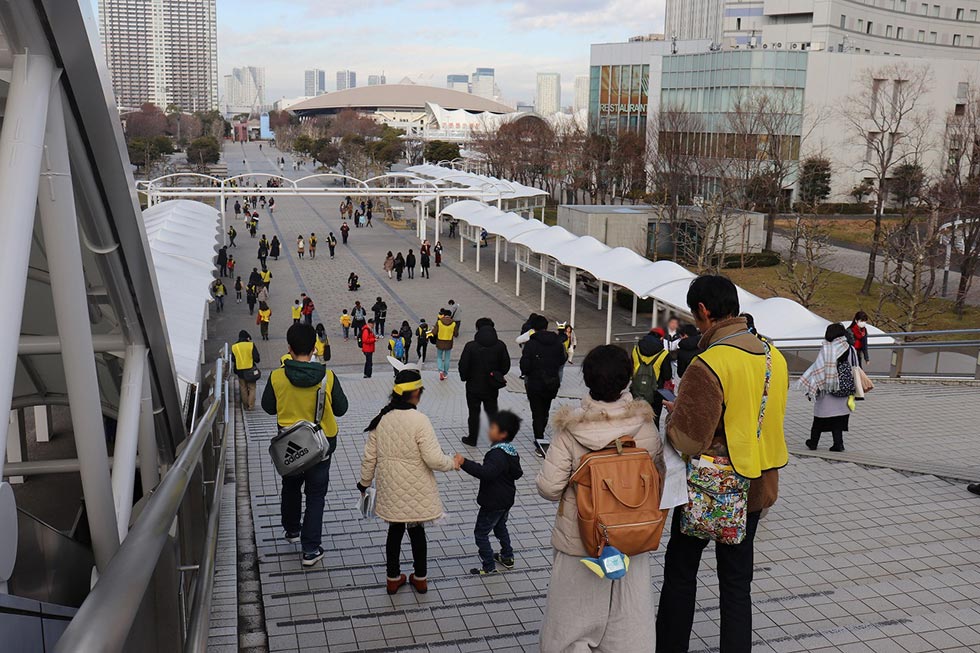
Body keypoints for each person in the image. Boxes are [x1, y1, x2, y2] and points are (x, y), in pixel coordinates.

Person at [656, 275, 789, 653]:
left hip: (709, 490)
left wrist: (675, 414)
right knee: (736, 583)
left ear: (703, 311)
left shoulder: (709, 362)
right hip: (758, 485)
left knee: (681, 573)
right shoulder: (772, 355)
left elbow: (688, 439)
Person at [537, 345, 664, 652]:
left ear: (587, 380)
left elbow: (550, 487)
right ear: (626, 380)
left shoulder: (571, 430)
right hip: (631, 536)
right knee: (628, 618)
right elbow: (658, 481)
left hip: (581, 537)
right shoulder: (645, 426)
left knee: (572, 621)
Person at [357, 369, 460, 595]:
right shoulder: (420, 420)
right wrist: (452, 463)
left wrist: (364, 483)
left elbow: (370, 457)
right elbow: (433, 459)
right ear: (415, 394)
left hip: (390, 487)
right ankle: (420, 578)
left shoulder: (382, 418)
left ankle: (393, 578)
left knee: (394, 532)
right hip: (416, 489)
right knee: (416, 531)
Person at [262, 323, 349, 567]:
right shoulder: (327, 377)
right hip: (321, 446)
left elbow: (269, 407)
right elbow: (342, 409)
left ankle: (291, 530)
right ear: (314, 348)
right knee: (315, 496)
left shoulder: (277, 376)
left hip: (290, 446)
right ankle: (310, 549)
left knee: (290, 487)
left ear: (289, 348)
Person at [455, 410, 523, 576]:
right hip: (506, 501)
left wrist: (464, 462)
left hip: (492, 502)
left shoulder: (496, 454)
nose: (488, 430)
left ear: (502, 433)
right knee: (500, 527)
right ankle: (507, 557)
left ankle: (488, 565)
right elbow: (517, 473)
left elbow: (486, 473)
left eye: (493, 427)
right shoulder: (510, 451)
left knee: (480, 533)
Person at [798, 322, 856, 452]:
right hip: (842, 387)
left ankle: (813, 443)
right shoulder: (848, 347)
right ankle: (838, 444)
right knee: (838, 417)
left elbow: (818, 368)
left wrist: (812, 388)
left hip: (826, 388)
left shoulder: (826, 348)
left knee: (819, 418)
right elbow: (853, 366)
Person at [458, 317, 511, 446]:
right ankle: (497, 438)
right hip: (491, 387)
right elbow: (506, 365)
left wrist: (465, 377)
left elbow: (463, 365)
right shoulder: (500, 345)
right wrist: (498, 374)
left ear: (477, 329)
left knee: (473, 413)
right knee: (493, 412)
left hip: (473, 387)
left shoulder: (471, 346)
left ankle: (472, 439)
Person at [519, 315, 566, 457]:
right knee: (545, 408)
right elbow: (562, 359)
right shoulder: (557, 342)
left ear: (533, 328)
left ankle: (539, 438)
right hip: (552, 382)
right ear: (546, 326)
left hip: (534, 383)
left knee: (537, 411)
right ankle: (541, 430)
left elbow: (525, 365)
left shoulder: (531, 344)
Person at [630, 328, 672, 426]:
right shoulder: (663, 354)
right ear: (661, 338)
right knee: (653, 420)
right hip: (655, 394)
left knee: (635, 419)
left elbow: (630, 369)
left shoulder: (636, 349)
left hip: (636, 390)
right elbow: (667, 376)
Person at [231, 330, 261, 410]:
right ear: (247, 337)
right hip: (250, 370)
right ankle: (251, 406)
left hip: (240, 371)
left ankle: (245, 405)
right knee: (252, 388)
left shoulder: (234, 346)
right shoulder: (251, 345)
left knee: (243, 388)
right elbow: (256, 358)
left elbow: (233, 359)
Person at [434, 309, 459, 381]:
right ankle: (445, 373)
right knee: (447, 358)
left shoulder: (439, 322)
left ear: (444, 315)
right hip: (449, 342)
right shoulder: (453, 323)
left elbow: (435, 332)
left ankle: (440, 370)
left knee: (439, 357)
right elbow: (456, 334)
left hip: (440, 342)